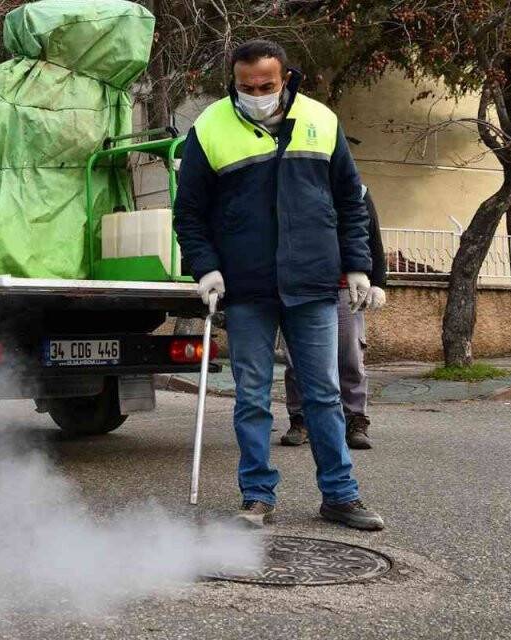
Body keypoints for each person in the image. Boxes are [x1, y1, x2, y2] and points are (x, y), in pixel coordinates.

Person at [172, 39, 385, 531]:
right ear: (235, 81)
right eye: (246, 87)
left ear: (285, 77)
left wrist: (359, 267)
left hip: (312, 283)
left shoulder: (321, 120)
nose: (256, 93)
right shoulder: (209, 128)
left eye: (266, 85)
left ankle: (340, 495)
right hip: (246, 289)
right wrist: (204, 267)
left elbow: (351, 202)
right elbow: (189, 212)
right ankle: (257, 497)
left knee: (324, 395)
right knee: (250, 396)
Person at [282, 187, 388, 450]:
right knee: (297, 359)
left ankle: (355, 420)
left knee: (349, 356)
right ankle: (300, 419)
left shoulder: (357, 190)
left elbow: (371, 235)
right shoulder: (295, 184)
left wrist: (377, 281)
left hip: (344, 286)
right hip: (301, 285)